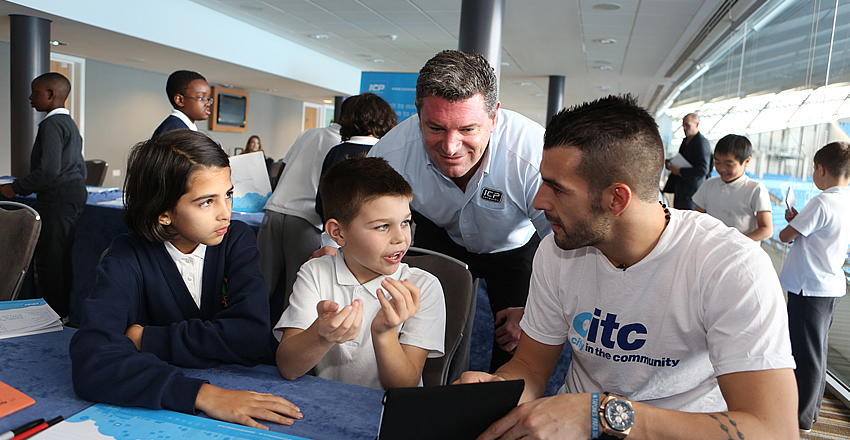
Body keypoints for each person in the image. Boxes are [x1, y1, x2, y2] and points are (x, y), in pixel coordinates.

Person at [459, 95, 797, 440]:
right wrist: (496, 387)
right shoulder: (556, 251)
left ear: (617, 199)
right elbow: (530, 366)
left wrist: (601, 414)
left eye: (557, 189)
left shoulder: (730, 266)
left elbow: (775, 430)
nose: (538, 201)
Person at [69, 130, 302, 430]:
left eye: (228, 194)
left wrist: (147, 339)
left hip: (253, 392)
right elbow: (92, 360)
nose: (225, 214)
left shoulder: (237, 239)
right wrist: (203, 394)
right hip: (172, 413)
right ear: (163, 212)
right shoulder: (127, 256)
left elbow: (251, 335)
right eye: (206, 202)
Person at [367, 50, 550, 371]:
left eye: (467, 130)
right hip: (442, 235)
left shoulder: (533, 153)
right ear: (418, 114)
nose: (450, 147)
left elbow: (566, 245)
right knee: (426, 326)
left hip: (514, 244)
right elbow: (362, 224)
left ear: (494, 118)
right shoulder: (390, 154)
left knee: (520, 339)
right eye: (435, 128)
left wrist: (540, 310)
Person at [275, 157, 446, 390]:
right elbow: (288, 367)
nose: (401, 238)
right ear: (338, 233)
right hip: (326, 405)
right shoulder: (315, 273)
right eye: (382, 226)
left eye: (405, 222)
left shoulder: (423, 287)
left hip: (389, 414)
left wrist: (384, 332)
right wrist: (321, 335)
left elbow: (405, 387)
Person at [0, 72, 86, 318]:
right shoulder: (69, 124)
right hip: (72, 194)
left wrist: (16, 188)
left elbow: (49, 169)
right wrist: (28, 186)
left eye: (35, 92)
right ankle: (61, 314)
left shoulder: (51, 124)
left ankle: (51, 316)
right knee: (60, 257)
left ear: (51, 94)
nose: (30, 97)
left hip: (58, 198)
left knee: (50, 261)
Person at [778, 141, 850, 432]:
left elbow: (785, 236)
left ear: (821, 169)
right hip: (829, 285)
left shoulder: (822, 201)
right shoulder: (844, 200)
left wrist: (792, 222)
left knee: (806, 355)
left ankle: (801, 419)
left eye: (813, 169)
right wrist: (799, 223)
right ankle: (814, 411)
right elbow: (816, 233)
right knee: (816, 351)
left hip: (809, 287)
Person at [258, 95, 355, 303]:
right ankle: (286, 336)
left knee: (260, 285)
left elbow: (283, 167)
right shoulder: (342, 145)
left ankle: (247, 332)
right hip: (305, 218)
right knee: (298, 290)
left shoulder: (310, 133)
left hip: (275, 209)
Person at [315, 92, 398, 224]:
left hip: (336, 234)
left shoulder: (336, 152)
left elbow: (322, 203)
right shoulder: (389, 153)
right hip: (378, 232)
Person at [693, 134, 773, 241]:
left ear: (747, 162)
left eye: (729, 164)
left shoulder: (755, 190)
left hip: (742, 251)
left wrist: (736, 242)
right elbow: (698, 219)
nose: (722, 169)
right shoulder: (708, 185)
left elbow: (767, 229)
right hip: (710, 247)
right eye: (717, 162)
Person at [664, 112, 712, 210]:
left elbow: (703, 170)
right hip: (681, 190)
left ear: (697, 124)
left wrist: (680, 171)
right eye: (683, 125)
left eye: (688, 125)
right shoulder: (686, 141)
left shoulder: (701, 143)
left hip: (691, 193)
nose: (685, 128)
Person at [152, 70, 211, 137]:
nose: (208, 104)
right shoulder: (175, 132)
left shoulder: (182, 127)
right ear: (179, 100)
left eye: (208, 99)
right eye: (201, 98)